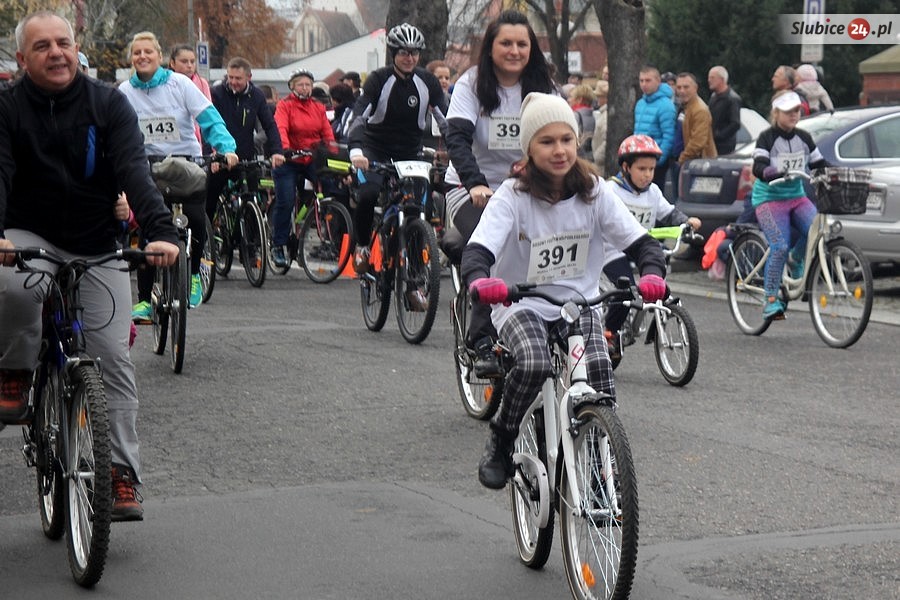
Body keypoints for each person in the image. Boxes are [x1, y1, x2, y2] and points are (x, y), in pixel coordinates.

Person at [0, 11, 180, 520]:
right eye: (42, 46)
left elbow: (134, 170)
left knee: (112, 358)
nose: (56, 53)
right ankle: (14, 371)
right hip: (27, 234)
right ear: (23, 58)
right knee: (14, 289)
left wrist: (161, 232)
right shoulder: (8, 107)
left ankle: (119, 473)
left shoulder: (108, 103)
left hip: (96, 240)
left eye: (63, 43)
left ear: (76, 48)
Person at [461, 93, 668, 489]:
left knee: (600, 374)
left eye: (566, 139)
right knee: (533, 363)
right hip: (521, 302)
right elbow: (478, 250)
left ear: (577, 141)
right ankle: (502, 440)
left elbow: (642, 243)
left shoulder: (595, 190)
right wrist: (480, 280)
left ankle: (600, 462)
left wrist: (652, 273)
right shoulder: (513, 196)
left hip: (579, 302)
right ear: (529, 149)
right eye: (547, 141)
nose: (559, 150)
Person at [443, 9, 556, 377]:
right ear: (490, 47)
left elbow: (560, 138)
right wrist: (475, 182)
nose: (514, 51)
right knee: (495, 245)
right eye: (506, 43)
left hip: (524, 188)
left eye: (522, 44)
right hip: (472, 189)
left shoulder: (543, 86)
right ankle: (480, 340)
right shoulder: (471, 84)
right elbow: (456, 139)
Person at [119, 31, 238, 317]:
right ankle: (145, 300)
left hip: (186, 163)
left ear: (160, 57)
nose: (143, 56)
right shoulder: (124, 91)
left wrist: (226, 148)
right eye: (137, 52)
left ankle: (194, 274)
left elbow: (209, 118)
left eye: (148, 51)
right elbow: (114, 129)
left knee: (195, 217)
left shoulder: (180, 84)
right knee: (148, 228)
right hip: (147, 166)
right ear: (131, 58)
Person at [348, 23, 448, 284]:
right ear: (393, 53)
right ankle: (362, 245)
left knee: (420, 208)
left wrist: (457, 150)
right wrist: (357, 150)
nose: (409, 58)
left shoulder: (427, 82)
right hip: (375, 149)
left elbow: (447, 120)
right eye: (404, 52)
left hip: (410, 151)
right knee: (368, 194)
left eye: (414, 53)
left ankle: (414, 278)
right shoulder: (379, 79)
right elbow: (358, 117)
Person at [602, 135, 701, 356]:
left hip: (641, 248)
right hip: (613, 250)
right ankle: (610, 332)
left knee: (658, 281)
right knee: (625, 290)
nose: (647, 174)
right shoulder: (610, 190)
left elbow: (669, 213)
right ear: (626, 167)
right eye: (642, 169)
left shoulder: (653, 192)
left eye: (651, 169)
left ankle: (662, 313)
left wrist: (686, 223)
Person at [751, 90, 827, 319]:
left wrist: (834, 173)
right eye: (788, 111)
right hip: (769, 199)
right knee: (780, 245)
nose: (794, 115)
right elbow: (758, 166)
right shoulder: (767, 138)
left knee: (818, 229)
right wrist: (770, 171)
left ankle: (796, 258)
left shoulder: (804, 137)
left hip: (796, 197)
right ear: (776, 113)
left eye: (797, 110)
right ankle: (770, 299)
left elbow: (819, 163)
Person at [269, 68, 335, 268]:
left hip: (311, 158)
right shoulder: (285, 105)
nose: (305, 88)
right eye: (300, 84)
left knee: (329, 186)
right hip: (289, 159)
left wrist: (333, 153)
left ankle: (325, 230)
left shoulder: (318, 107)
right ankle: (278, 244)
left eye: (308, 85)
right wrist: (284, 149)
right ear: (292, 86)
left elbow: (327, 133)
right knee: (286, 200)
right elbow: (280, 128)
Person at [207, 57, 285, 221]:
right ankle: (207, 231)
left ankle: (251, 232)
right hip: (221, 157)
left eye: (238, 78)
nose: (233, 82)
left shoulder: (256, 95)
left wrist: (277, 151)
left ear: (249, 77)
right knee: (209, 202)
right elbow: (208, 125)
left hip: (246, 157)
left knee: (252, 200)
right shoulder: (217, 93)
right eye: (230, 77)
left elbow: (269, 125)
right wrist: (211, 155)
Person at [634, 65, 676, 192]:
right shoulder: (640, 103)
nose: (644, 84)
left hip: (655, 160)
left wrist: (659, 160)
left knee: (654, 194)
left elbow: (669, 135)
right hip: (639, 156)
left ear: (658, 81)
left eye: (648, 80)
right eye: (641, 80)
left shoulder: (666, 105)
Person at [676, 72, 717, 165]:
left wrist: (682, 159)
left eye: (686, 87)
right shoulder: (685, 106)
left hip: (698, 163)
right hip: (688, 161)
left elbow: (697, 142)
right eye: (679, 87)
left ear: (695, 88)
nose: (682, 91)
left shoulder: (700, 110)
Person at [707, 65, 742, 155]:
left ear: (721, 79)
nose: (709, 80)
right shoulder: (713, 97)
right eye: (709, 77)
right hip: (711, 145)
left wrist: (718, 136)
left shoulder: (732, 99)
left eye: (712, 77)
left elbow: (735, 124)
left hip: (725, 148)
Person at [567, 82, 595, 160]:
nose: (568, 100)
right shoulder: (593, 115)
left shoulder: (574, 115)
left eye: (571, 97)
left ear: (579, 99)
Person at [591, 80, 609, 176]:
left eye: (599, 96)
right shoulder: (603, 113)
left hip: (602, 164)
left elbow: (606, 140)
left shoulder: (606, 116)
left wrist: (597, 157)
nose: (597, 99)